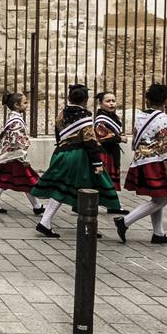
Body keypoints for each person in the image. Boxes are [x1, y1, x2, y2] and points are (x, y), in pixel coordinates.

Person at [31, 84, 121, 238]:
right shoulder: (85, 116)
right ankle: (84, 226)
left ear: (69, 98)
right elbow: (89, 140)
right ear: (85, 100)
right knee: (87, 188)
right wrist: (97, 162)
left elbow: (59, 135)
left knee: (62, 187)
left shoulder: (62, 113)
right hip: (78, 156)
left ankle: (50, 222)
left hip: (61, 153)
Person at [114, 83, 167, 245]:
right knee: (161, 200)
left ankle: (158, 233)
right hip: (158, 161)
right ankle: (124, 222)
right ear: (165, 101)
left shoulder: (139, 117)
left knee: (157, 197)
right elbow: (165, 144)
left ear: (147, 101)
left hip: (141, 160)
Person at [0, 91, 43, 215]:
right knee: (27, 180)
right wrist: (23, 158)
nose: (27, 105)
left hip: (8, 155)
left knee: (4, 178)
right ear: (17, 105)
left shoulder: (12, 117)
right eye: (25, 103)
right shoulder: (16, 120)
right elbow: (17, 140)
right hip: (15, 156)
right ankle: (37, 206)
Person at [94, 90, 127, 212]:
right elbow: (102, 136)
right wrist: (120, 138)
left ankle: (112, 205)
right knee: (104, 181)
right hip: (104, 153)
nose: (112, 103)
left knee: (109, 181)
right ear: (101, 103)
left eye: (113, 101)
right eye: (108, 101)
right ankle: (112, 205)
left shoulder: (112, 116)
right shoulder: (101, 119)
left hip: (112, 152)